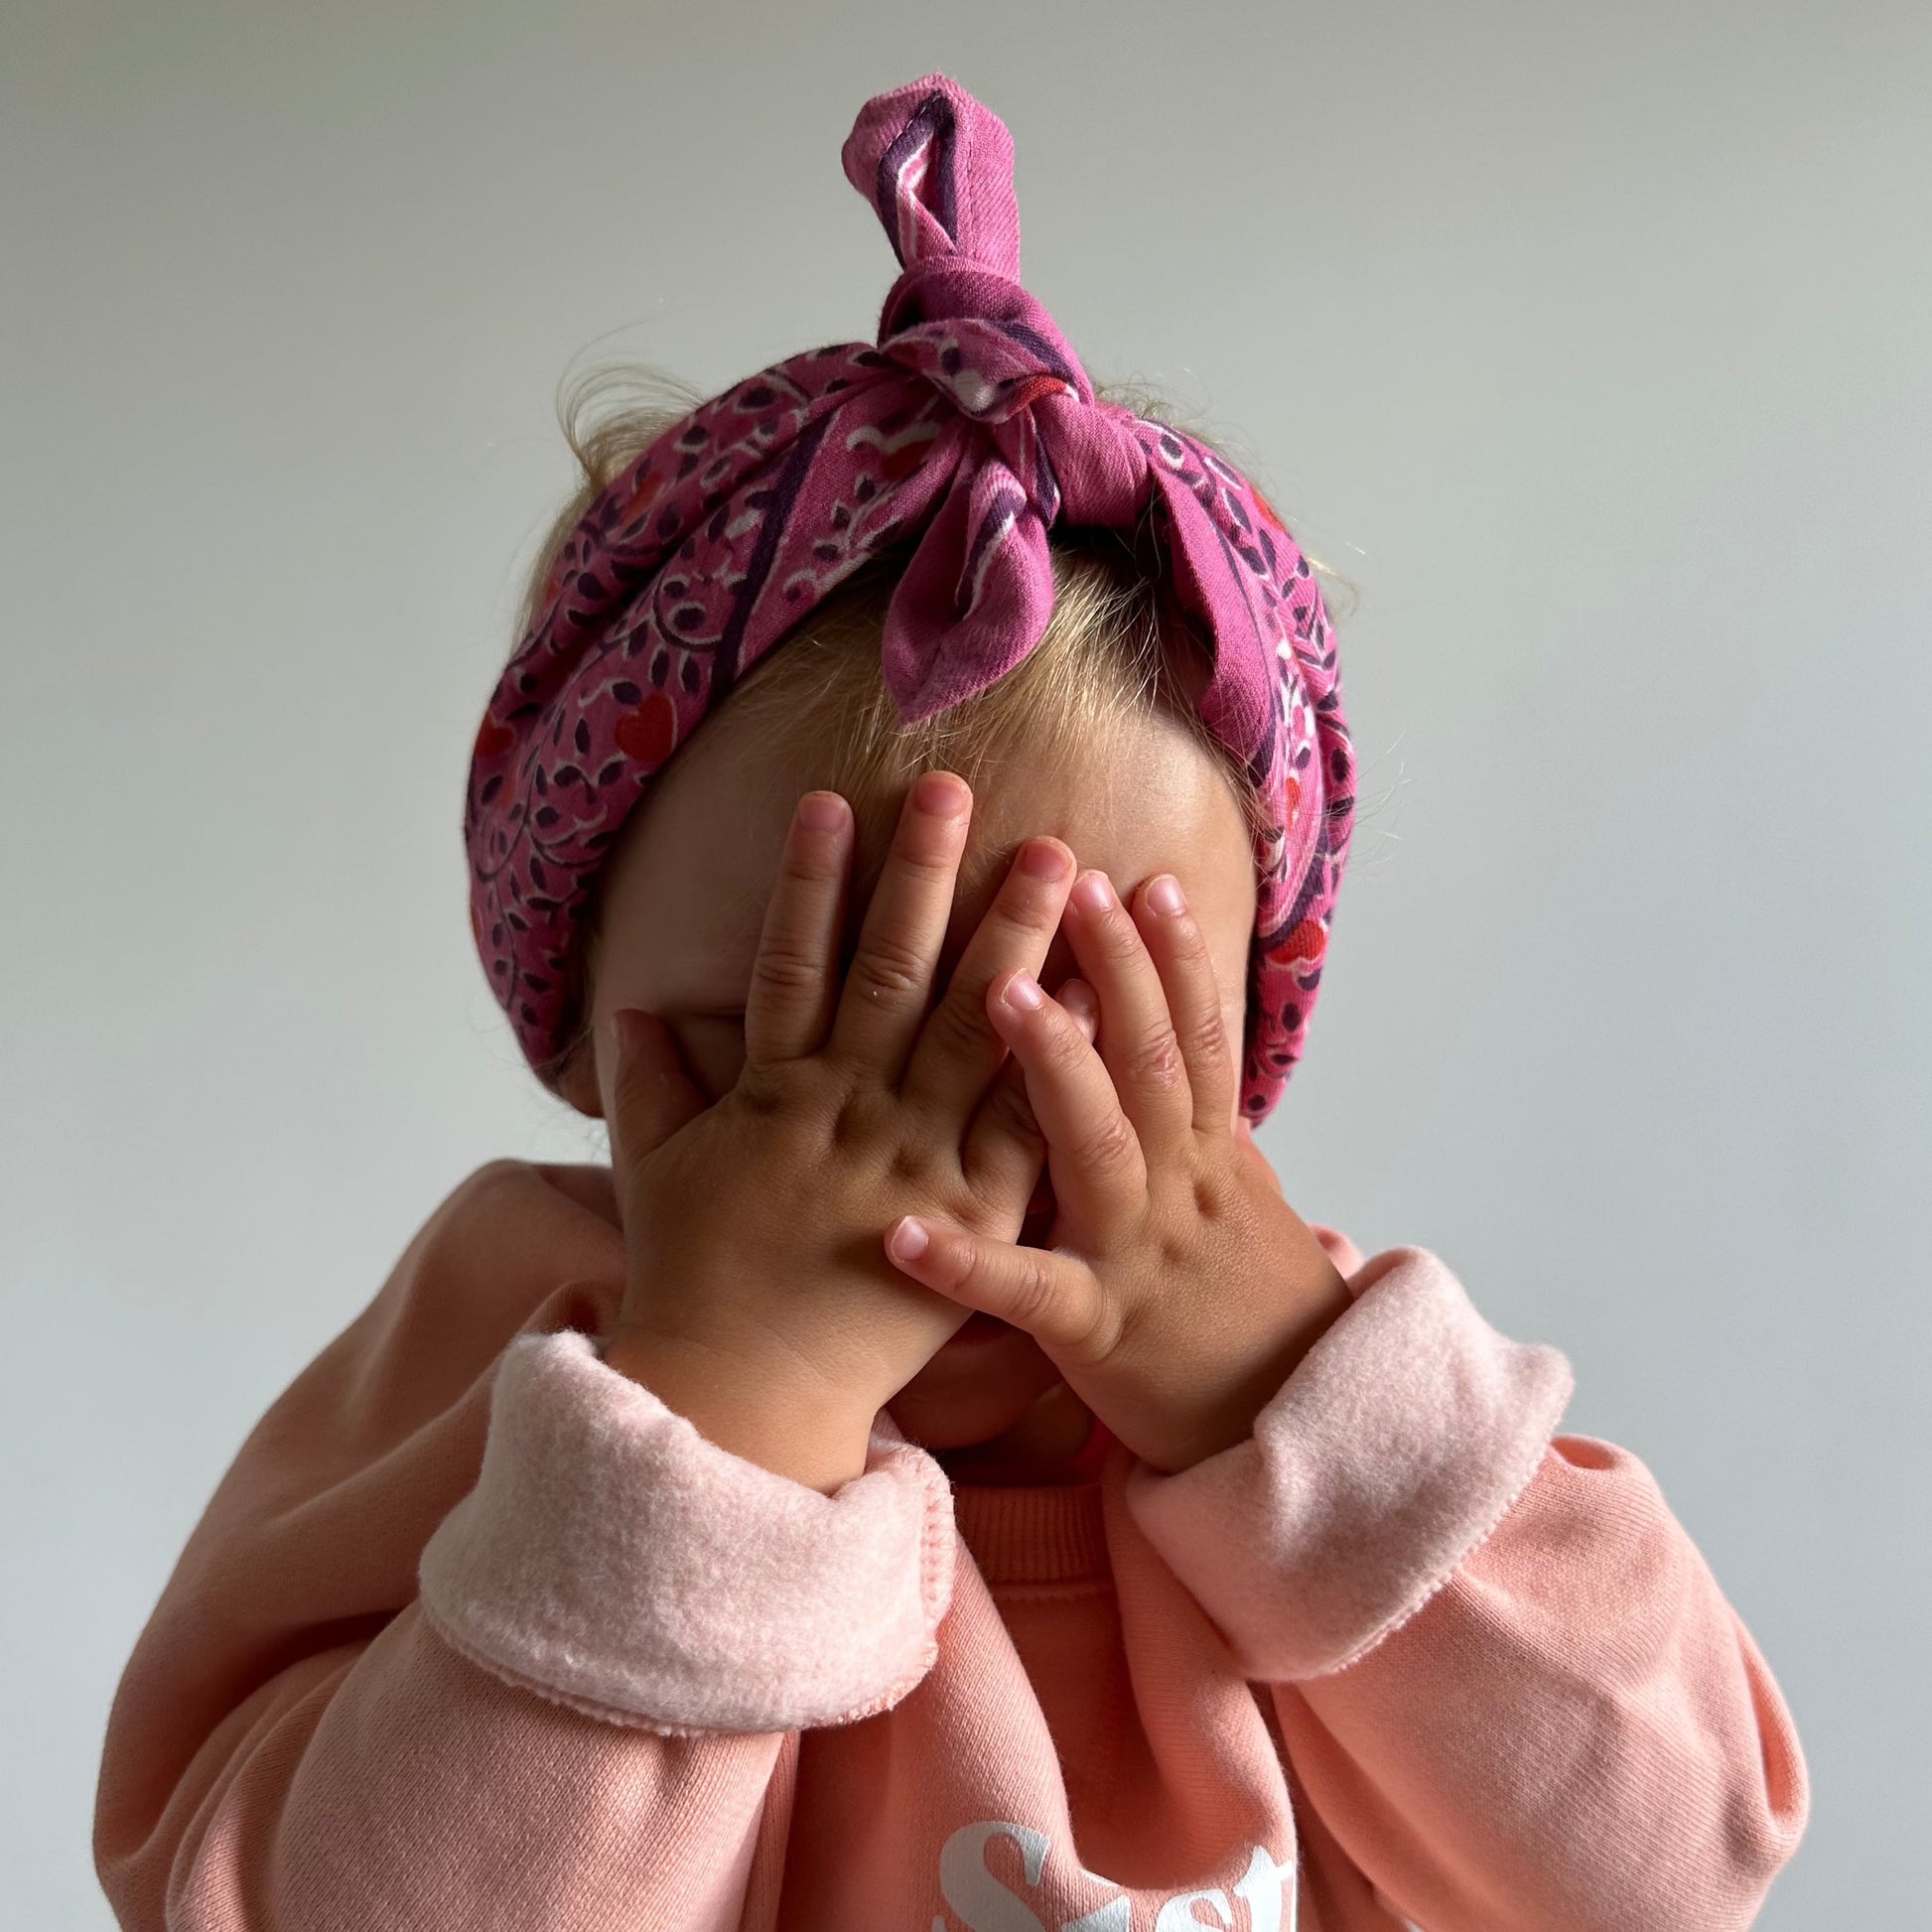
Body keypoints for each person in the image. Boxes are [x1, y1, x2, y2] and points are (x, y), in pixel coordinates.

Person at [93, 72, 1809, 1932]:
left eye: (1066, 1036)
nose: (928, 1184)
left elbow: (1675, 1869)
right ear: (575, 1008)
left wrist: (1291, 1403)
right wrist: (718, 1427)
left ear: (1242, 1030)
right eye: (786, 1046)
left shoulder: (1312, 1406)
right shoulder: (516, 1351)